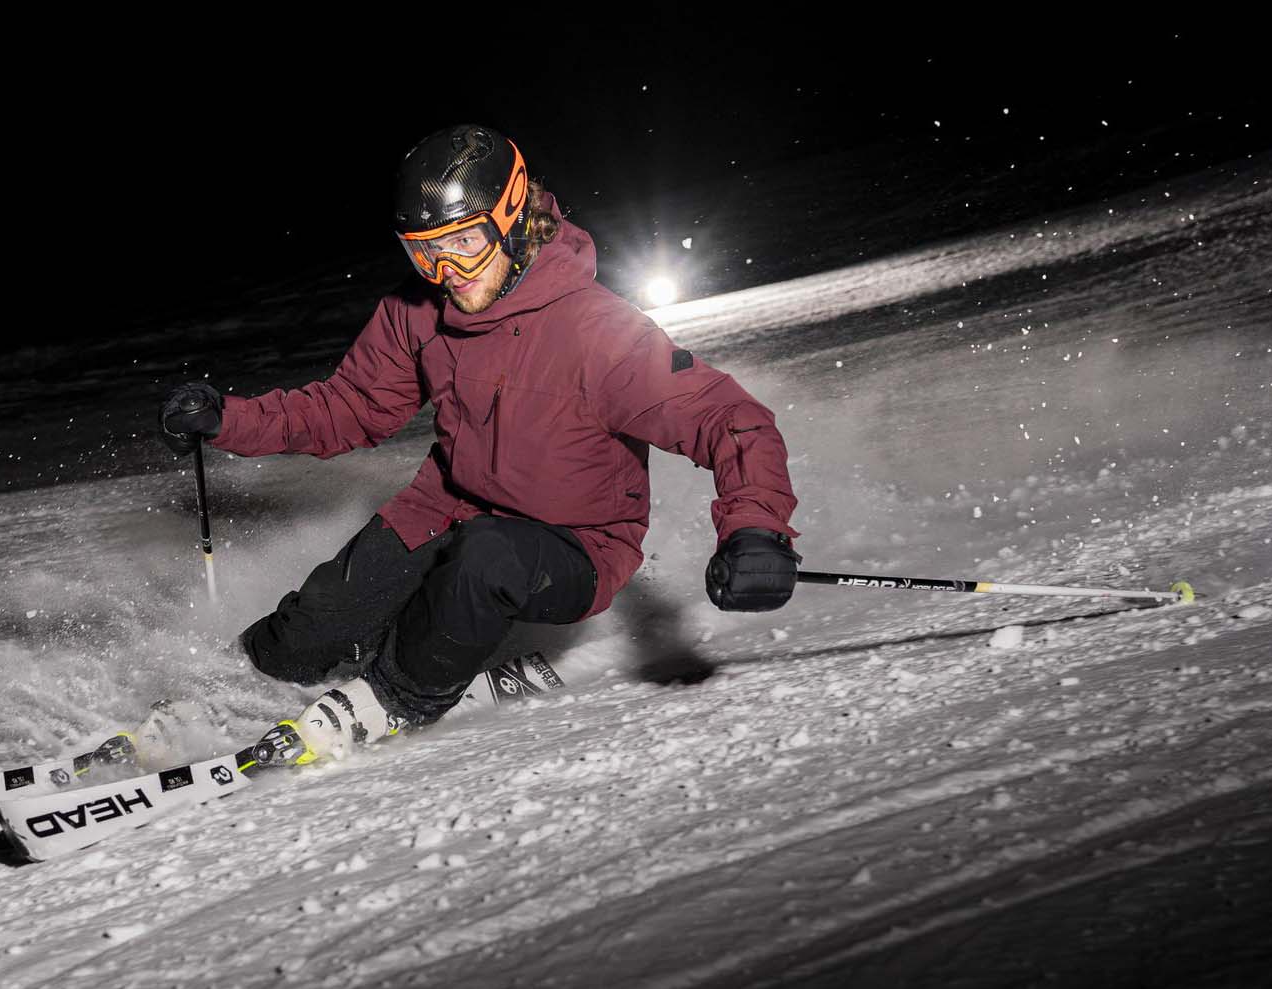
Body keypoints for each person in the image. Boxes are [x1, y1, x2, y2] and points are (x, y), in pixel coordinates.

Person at [160, 124, 798, 764]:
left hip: (575, 542)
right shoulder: (419, 310)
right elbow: (351, 407)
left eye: (465, 242)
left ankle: (394, 699)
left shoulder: (598, 331)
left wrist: (756, 530)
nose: (448, 272)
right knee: (316, 626)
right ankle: (237, 685)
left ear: (515, 217)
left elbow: (730, 420)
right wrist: (229, 423)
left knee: (487, 559)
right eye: (425, 252)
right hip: (447, 509)